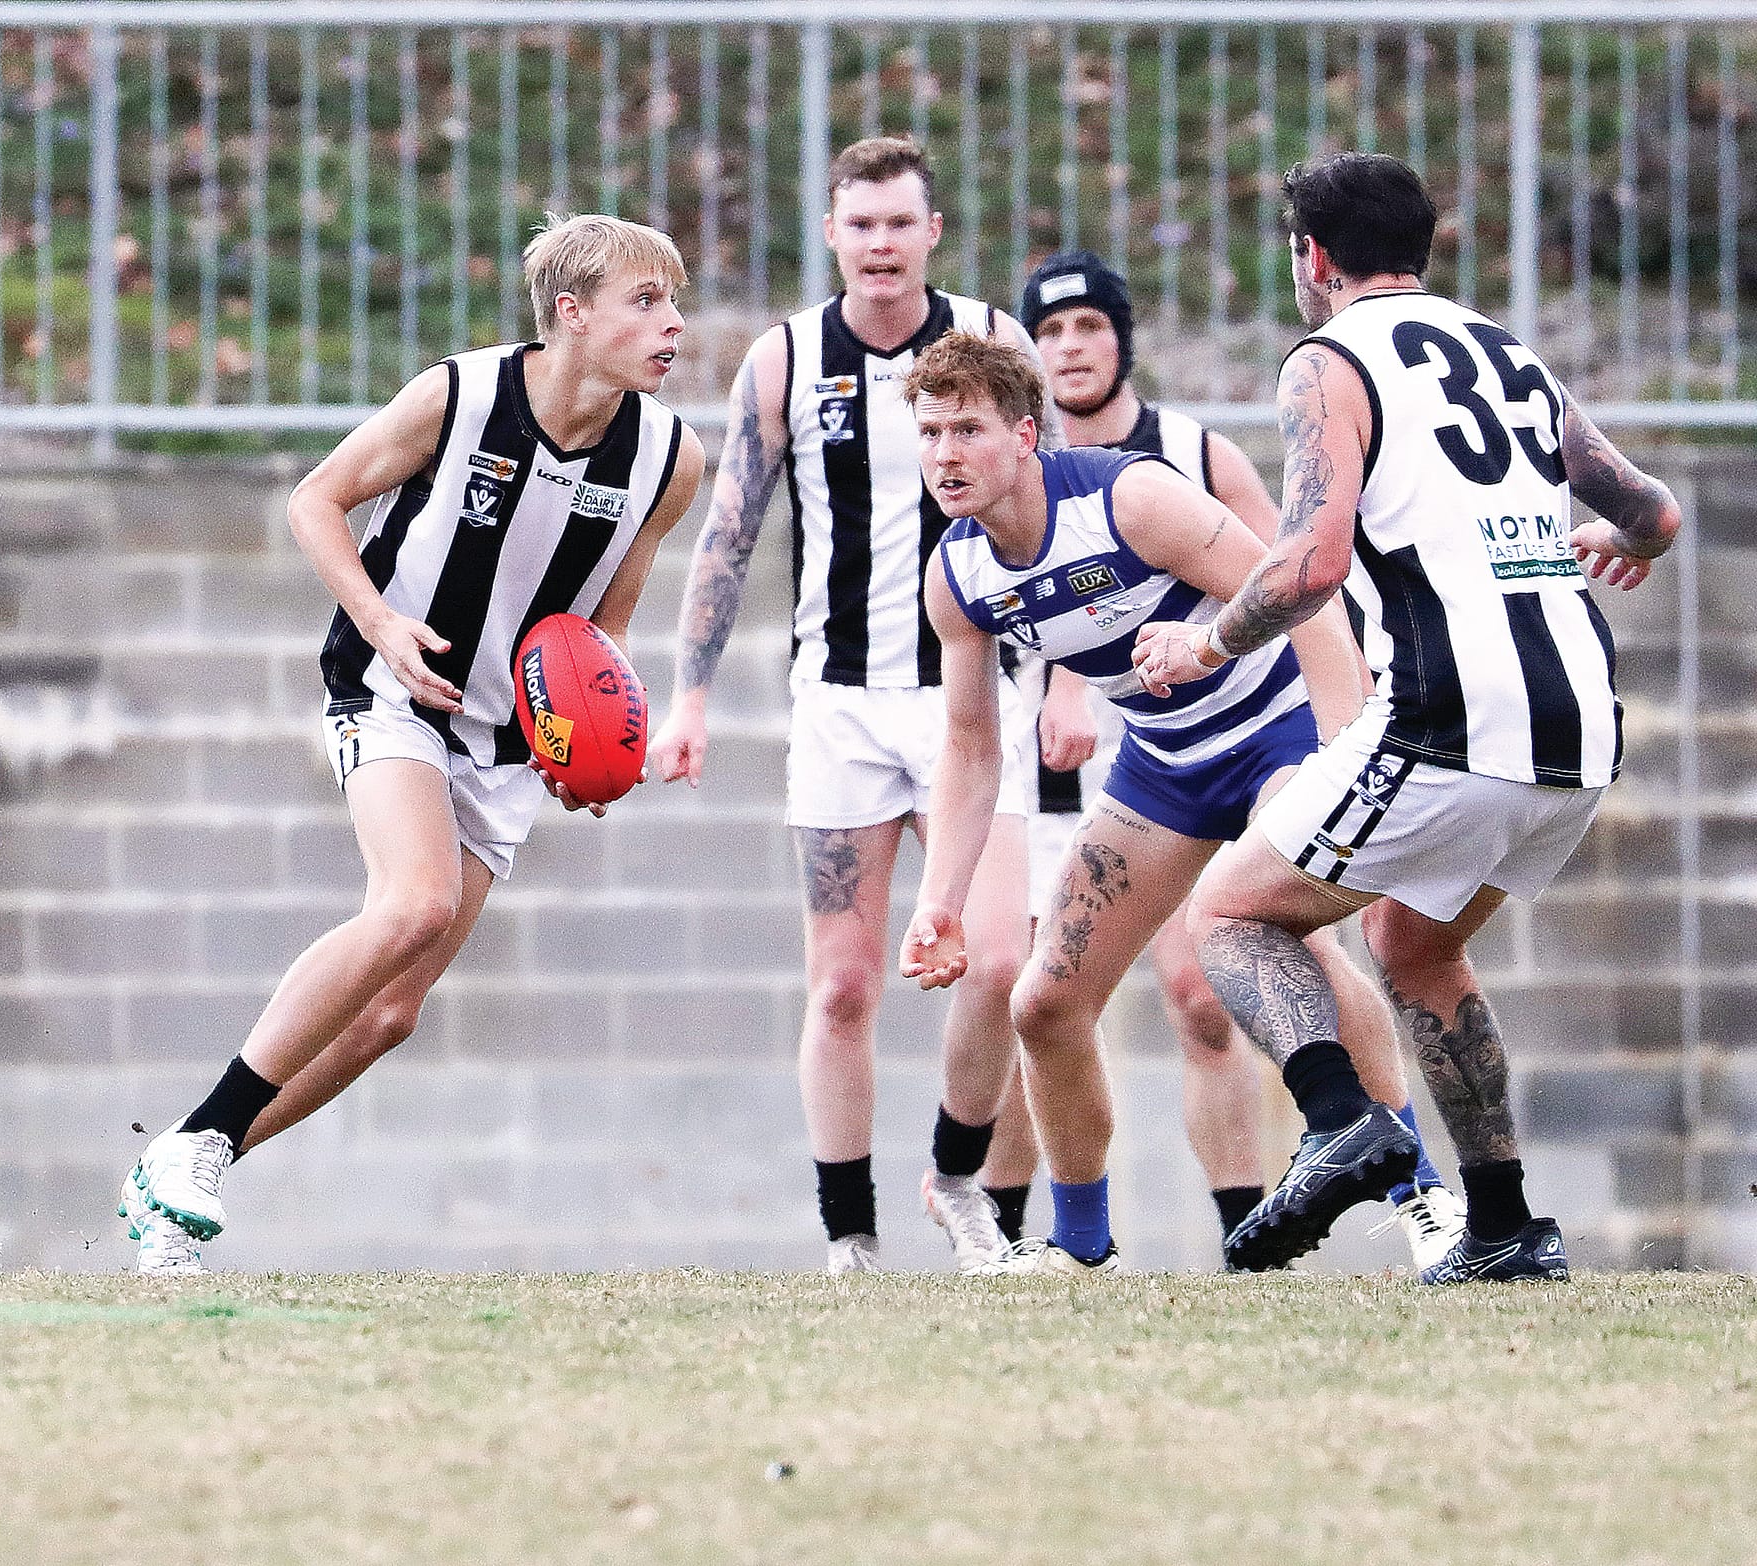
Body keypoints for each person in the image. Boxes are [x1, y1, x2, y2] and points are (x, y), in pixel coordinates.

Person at [119, 214, 705, 1275]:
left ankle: (179, 1167)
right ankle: (204, 1139)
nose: (674, 324)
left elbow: (603, 628)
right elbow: (316, 501)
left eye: (673, 301)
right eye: (646, 301)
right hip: (390, 691)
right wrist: (382, 622)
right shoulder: (461, 397)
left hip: (502, 736)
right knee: (413, 903)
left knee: (390, 1013)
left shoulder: (668, 456)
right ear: (570, 315)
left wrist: (597, 742)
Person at [1133, 152, 1680, 1280]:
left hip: (1451, 711)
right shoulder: (1507, 353)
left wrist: (1203, 641)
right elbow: (1652, 510)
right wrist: (1617, 544)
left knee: (1228, 919)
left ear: (1313, 257)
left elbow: (1309, 564)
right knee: (1413, 948)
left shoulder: (1326, 362)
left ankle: (1339, 1118)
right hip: (1578, 721)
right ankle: (1502, 1230)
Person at [977, 251, 1462, 1271]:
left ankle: (1418, 1198)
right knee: (1047, 998)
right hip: (1151, 756)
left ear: (1120, 340)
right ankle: (1098, 1248)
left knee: (1256, 963)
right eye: (1049, 332)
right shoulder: (981, 523)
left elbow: (1294, 584)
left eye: (1088, 327)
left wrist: (1340, 745)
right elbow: (997, 693)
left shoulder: (1179, 463)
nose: (1070, 347)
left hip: (1270, 731)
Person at [648, 137, 1047, 1275]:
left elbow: (1058, 504)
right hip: (837, 705)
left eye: (897, 224)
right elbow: (728, 532)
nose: (878, 245)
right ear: (832, 236)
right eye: (858, 225)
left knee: (997, 965)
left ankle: (960, 1185)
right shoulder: (781, 361)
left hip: (973, 699)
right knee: (840, 988)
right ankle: (848, 1240)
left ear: (930, 233)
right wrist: (687, 697)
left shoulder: (990, 344)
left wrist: (1064, 677)